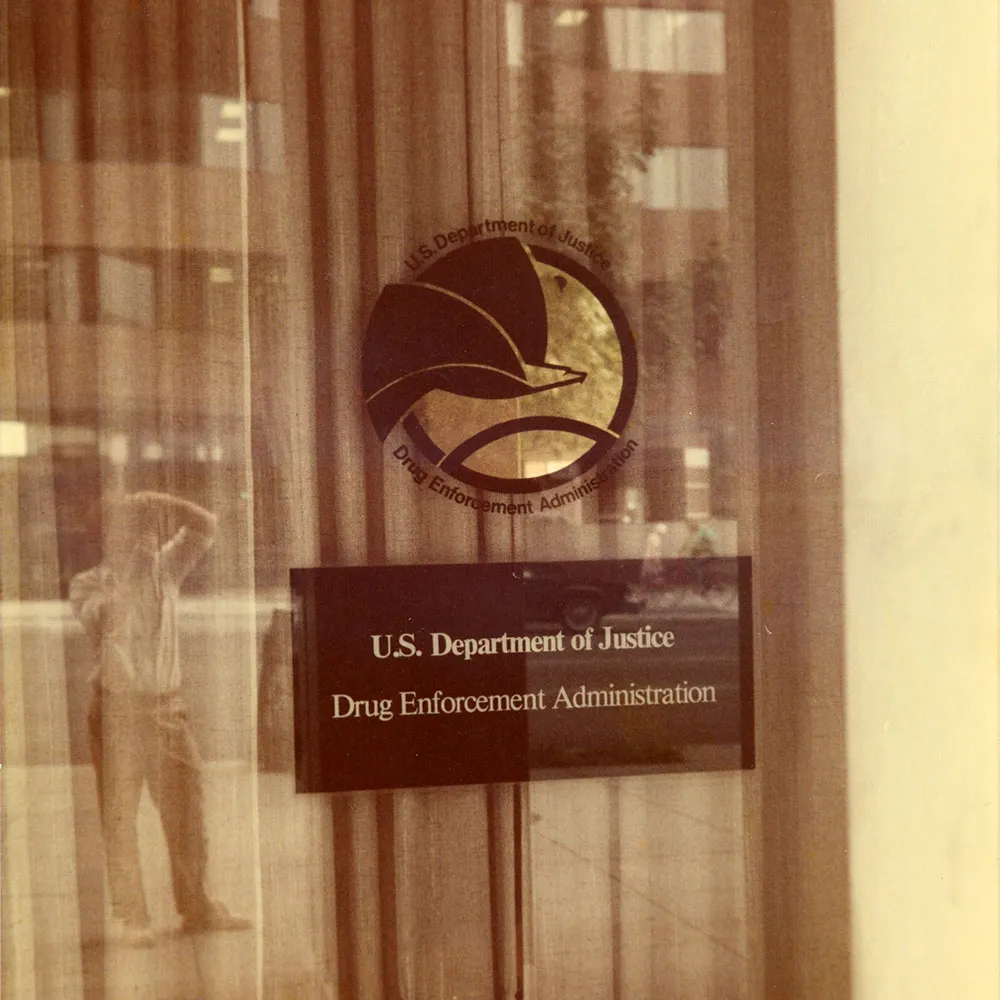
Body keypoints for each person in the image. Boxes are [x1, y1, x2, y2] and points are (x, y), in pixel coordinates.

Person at [70, 490, 250, 947]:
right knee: (120, 817)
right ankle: (133, 918)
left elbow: (206, 523)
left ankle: (197, 907)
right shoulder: (88, 583)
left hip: (168, 709)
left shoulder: (166, 569)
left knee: (187, 813)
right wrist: (132, 568)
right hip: (116, 714)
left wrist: (158, 500)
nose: (146, 540)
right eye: (134, 531)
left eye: (147, 530)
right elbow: (105, 620)